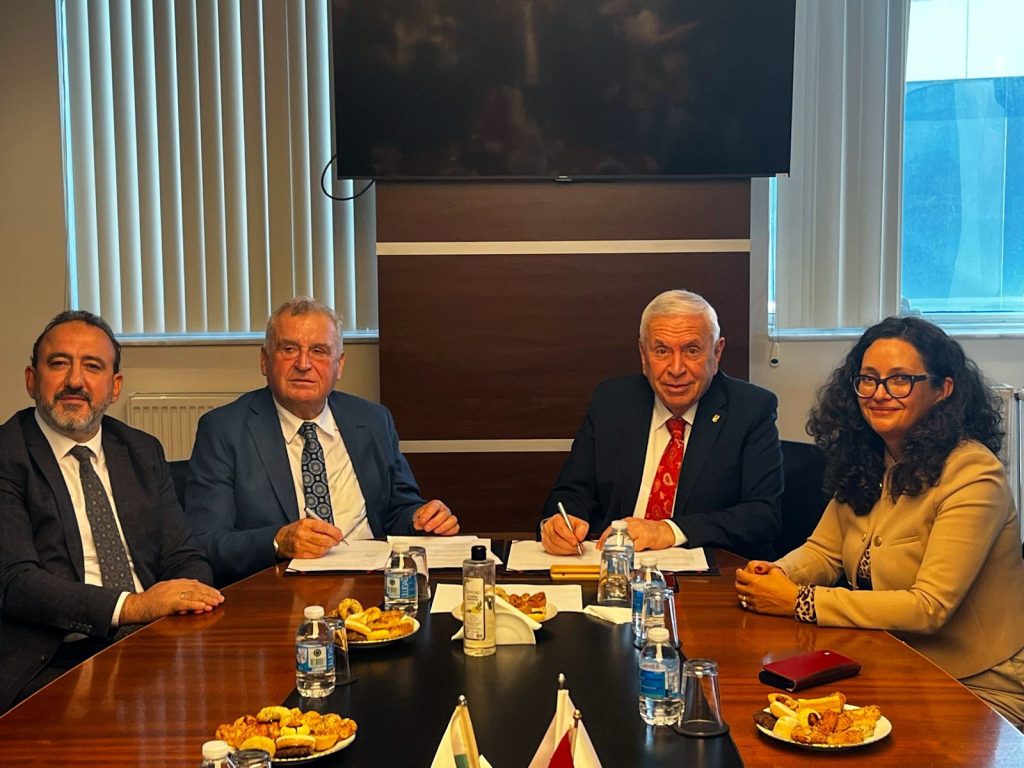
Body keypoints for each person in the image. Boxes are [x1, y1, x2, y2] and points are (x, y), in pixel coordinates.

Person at [735, 316, 1024, 728]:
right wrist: (776, 575)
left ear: (943, 389)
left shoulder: (974, 473)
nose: (880, 393)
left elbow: (929, 607)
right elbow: (823, 551)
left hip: (978, 681)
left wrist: (801, 601)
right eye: (868, 379)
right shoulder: (870, 458)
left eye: (900, 380)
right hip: (891, 661)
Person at [0, 311, 222, 713]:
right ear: (32, 379)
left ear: (114, 386)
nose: (75, 381)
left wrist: (180, 601)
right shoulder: (8, 454)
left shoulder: (141, 450)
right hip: (54, 659)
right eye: (59, 363)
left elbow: (185, 556)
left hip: (152, 642)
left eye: (92, 366)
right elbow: (17, 582)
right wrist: (134, 607)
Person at [186, 297, 459, 586]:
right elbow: (206, 541)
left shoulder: (373, 421)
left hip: (373, 583)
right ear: (264, 360)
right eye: (289, 349)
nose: (303, 364)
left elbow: (399, 509)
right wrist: (278, 541)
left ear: (339, 365)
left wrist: (421, 518)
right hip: (281, 590)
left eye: (319, 351)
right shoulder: (224, 430)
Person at [541, 289, 783, 559]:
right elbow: (573, 490)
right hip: (613, 566)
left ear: (717, 353)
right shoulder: (612, 401)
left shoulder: (751, 409)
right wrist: (561, 523)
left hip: (705, 572)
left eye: (692, 350)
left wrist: (668, 530)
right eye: (662, 351)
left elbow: (763, 515)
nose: (676, 369)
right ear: (643, 355)